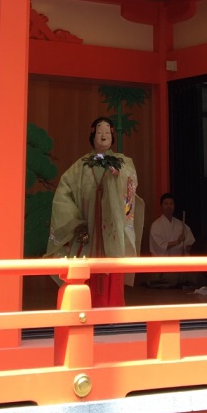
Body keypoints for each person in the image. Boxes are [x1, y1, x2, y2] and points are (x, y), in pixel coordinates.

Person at [46, 117, 139, 307]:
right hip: (87, 228)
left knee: (112, 267)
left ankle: (112, 313)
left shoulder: (123, 162)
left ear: (112, 135)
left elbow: (131, 186)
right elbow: (63, 195)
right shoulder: (79, 166)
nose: (103, 135)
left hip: (112, 229)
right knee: (85, 270)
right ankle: (85, 308)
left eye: (107, 131)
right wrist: (76, 224)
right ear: (92, 134)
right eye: (99, 131)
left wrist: (118, 176)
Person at [148, 193, 195, 286]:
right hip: (163, 264)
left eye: (171, 204)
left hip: (180, 263)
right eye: (166, 204)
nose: (169, 206)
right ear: (161, 206)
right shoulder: (156, 225)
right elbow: (160, 247)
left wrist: (187, 246)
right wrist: (178, 241)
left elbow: (189, 245)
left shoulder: (181, 225)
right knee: (171, 278)